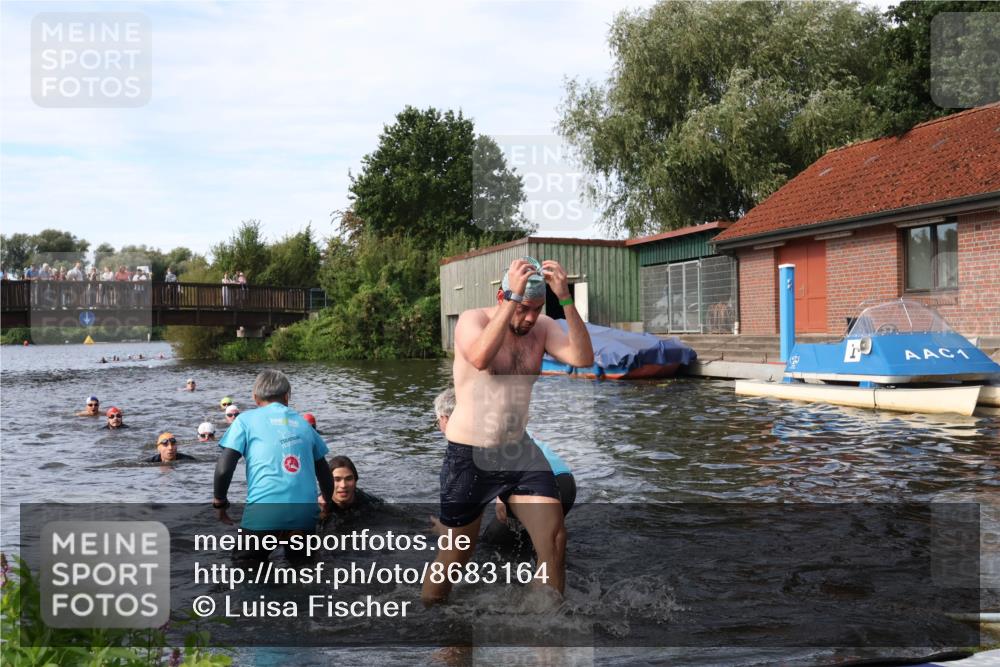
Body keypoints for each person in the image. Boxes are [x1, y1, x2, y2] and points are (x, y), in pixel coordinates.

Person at [422, 257, 593, 606]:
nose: (530, 317)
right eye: (524, 308)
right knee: (457, 556)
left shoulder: (543, 327)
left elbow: (583, 357)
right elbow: (482, 357)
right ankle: (434, 622)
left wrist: (565, 299)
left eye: (537, 308)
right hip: (470, 453)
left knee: (555, 539)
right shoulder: (473, 320)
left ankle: (545, 633)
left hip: (519, 450)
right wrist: (514, 299)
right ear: (504, 297)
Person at [434, 387, 576, 553]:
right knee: (541, 546)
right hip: (565, 480)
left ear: (445, 419)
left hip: (541, 483)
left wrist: (502, 498)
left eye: (437, 422)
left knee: (493, 545)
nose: (439, 427)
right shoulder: (495, 424)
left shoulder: (472, 438)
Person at [212, 370, 334, 564]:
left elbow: (224, 468)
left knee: (245, 571)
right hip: (304, 517)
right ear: (287, 396)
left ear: (255, 397)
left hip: (263, 516)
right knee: (303, 575)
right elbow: (325, 474)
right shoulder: (304, 426)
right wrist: (326, 502)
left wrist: (219, 502)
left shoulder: (244, 421)